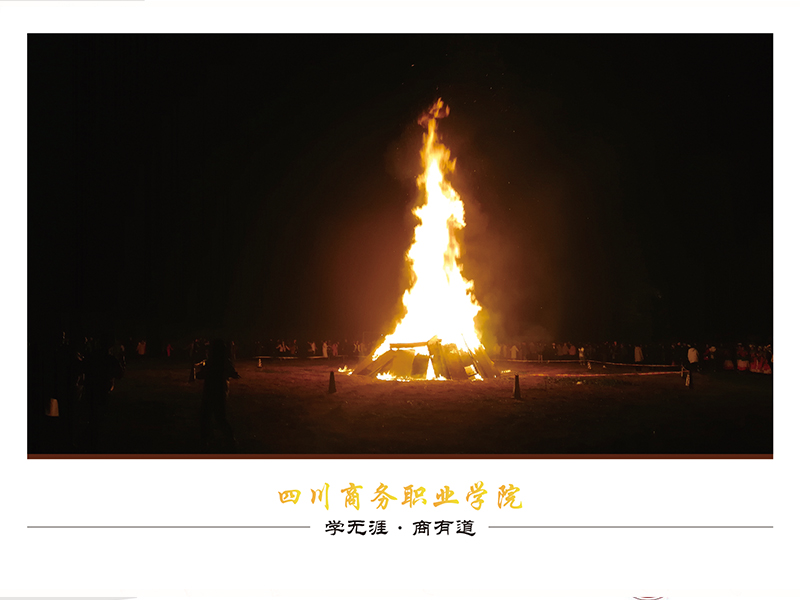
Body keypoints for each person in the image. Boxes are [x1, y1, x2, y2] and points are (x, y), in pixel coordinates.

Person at [197, 339, 240, 450]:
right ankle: (225, 439)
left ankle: (209, 439)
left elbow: (202, 375)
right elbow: (232, 373)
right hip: (219, 390)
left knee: (210, 416)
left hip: (213, 390)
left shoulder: (214, 362)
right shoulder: (223, 361)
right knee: (216, 416)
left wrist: (200, 372)